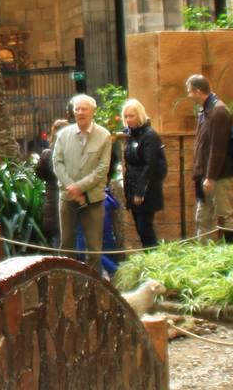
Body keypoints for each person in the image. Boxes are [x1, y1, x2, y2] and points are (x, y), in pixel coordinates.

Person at [52, 94, 111, 270]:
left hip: (93, 199)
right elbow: (57, 163)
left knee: (94, 248)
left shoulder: (104, 136)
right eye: (76, 109)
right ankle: (67, 280)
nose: (79, 112)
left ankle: (92, 283)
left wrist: (80, 187)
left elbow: (103, 168)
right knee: (66, 245)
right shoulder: (63, 135)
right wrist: (71, 188)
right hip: (67, 197)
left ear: (93, 111)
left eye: (83, 109)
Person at [187, 74, 233, 243]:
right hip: (204, 174)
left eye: (189, 91)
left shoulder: (219, 111)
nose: (188, 95)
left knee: (224, 216)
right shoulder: (205, 111)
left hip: (218, 175)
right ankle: (204, 254)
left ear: (197, 91)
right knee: (202, 217)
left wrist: (210, 177)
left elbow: (218, 148)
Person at [121, 99, 167, 249]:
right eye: (126, 116)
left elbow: (150, 166)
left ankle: (154, 259)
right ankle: (150, 257)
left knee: (145, 229)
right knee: (141, 230)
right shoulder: (131, 135)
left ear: (139, 115)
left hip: (147, 189)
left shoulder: (150, 136)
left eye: (131, 116)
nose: (128, 119)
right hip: (133, 186)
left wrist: (140, 192)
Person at [34, 119, 69, 242]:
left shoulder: (47, 154)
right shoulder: (72, 152)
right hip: (69, 196)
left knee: (57, 236)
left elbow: (39, 173)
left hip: (52, 199)